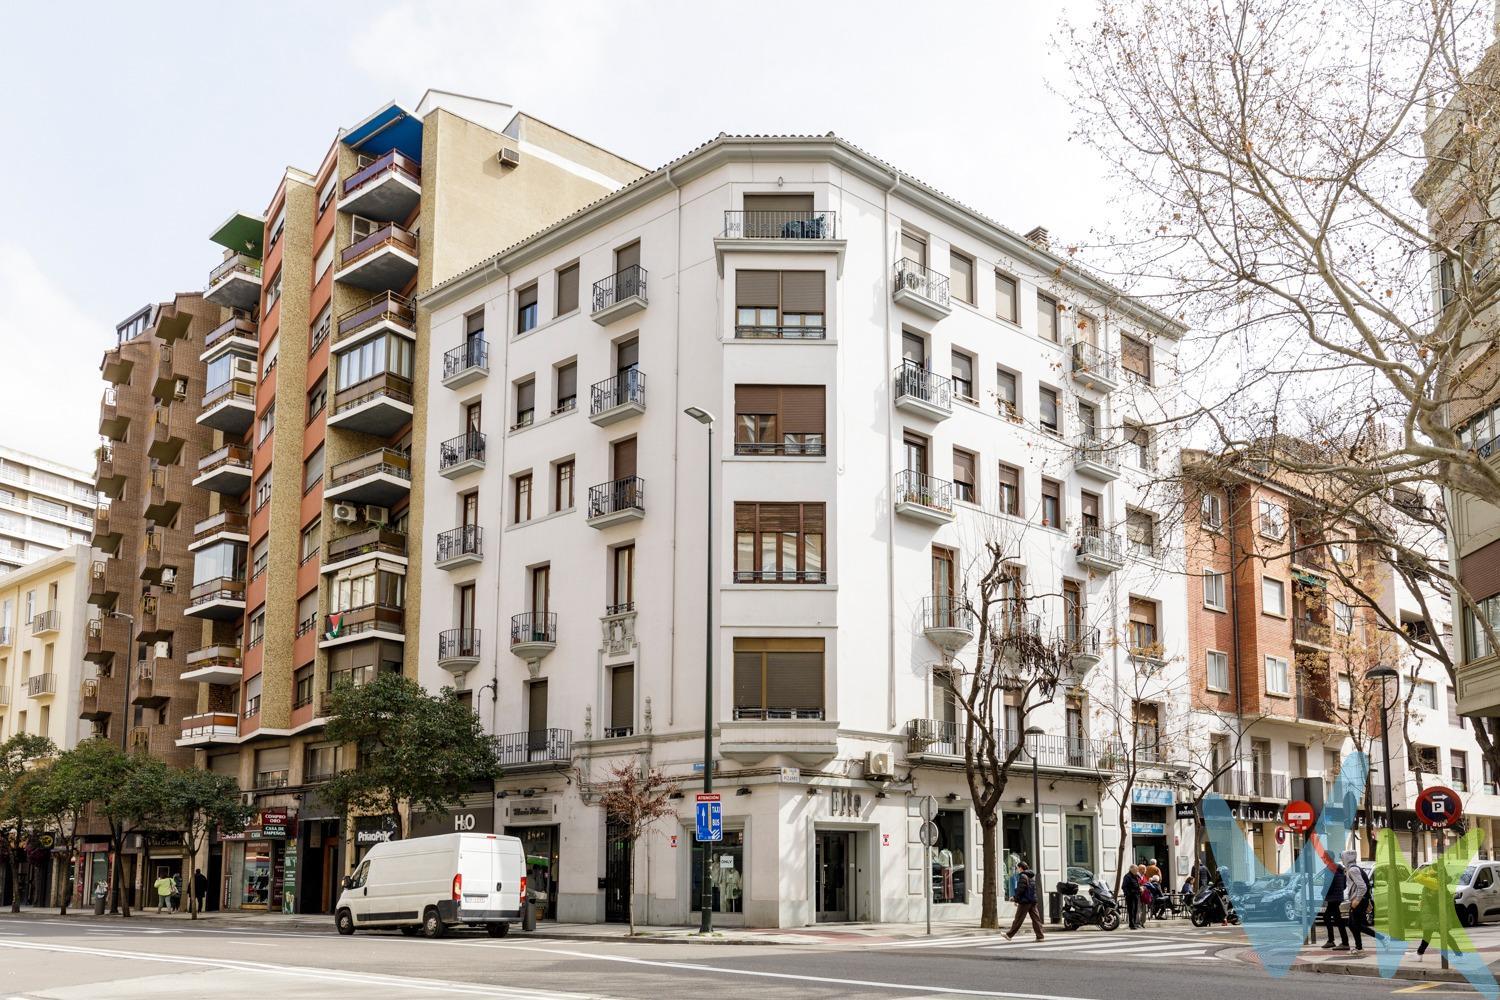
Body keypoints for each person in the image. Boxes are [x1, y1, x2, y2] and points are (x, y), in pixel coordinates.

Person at [1004, 861, 1045, 941]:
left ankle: (1009, 935)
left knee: (1018, 919)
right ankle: (1040, 936)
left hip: (1025, 901)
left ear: (1021, 868)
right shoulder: (1031, 876)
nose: (1017, 870)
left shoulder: (1023, 876)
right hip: (1032, 901)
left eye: (1017, 868)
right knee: (1036, 919)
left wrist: (1015, 898)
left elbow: (1021, 889)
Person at [1343, 851, 1370, 955]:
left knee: (1357, 925)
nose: (1342, 860)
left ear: (1347, 859)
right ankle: (1359, 947)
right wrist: (1367, 902)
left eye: (1343, 858)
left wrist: (1357, 900)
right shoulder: (1355, 868)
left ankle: (1383, 938)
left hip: (1357, 901)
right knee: (1351, 924)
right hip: (1359, 900)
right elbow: (1366, 884)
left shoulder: (1353, 870)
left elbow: (1362, 886)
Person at [1322, 860, 1350, 951]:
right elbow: (1344, 885)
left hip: (1332, 898)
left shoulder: (1329, 869)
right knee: (1334, 918)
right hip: (1338, 897)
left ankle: (1340, 942)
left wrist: (1323, 893)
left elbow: (1328, 884)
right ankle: (1336, 941)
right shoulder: (1341, 869)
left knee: (1332, 918)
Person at [1123, 864, 1143, 929]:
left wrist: (1140, 888)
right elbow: (1124, 887)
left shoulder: (1135, 876)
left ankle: (1134, 923)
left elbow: (1137, 884)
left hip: (1136, 895)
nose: (1137, 871)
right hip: (1130, 896)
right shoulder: (1127, 876)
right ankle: (1131, 924)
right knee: (1131, 910)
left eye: (1137, 869)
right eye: (1135, 869)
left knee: (1135, 910)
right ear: (1131, 869)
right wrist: (1128, 894)